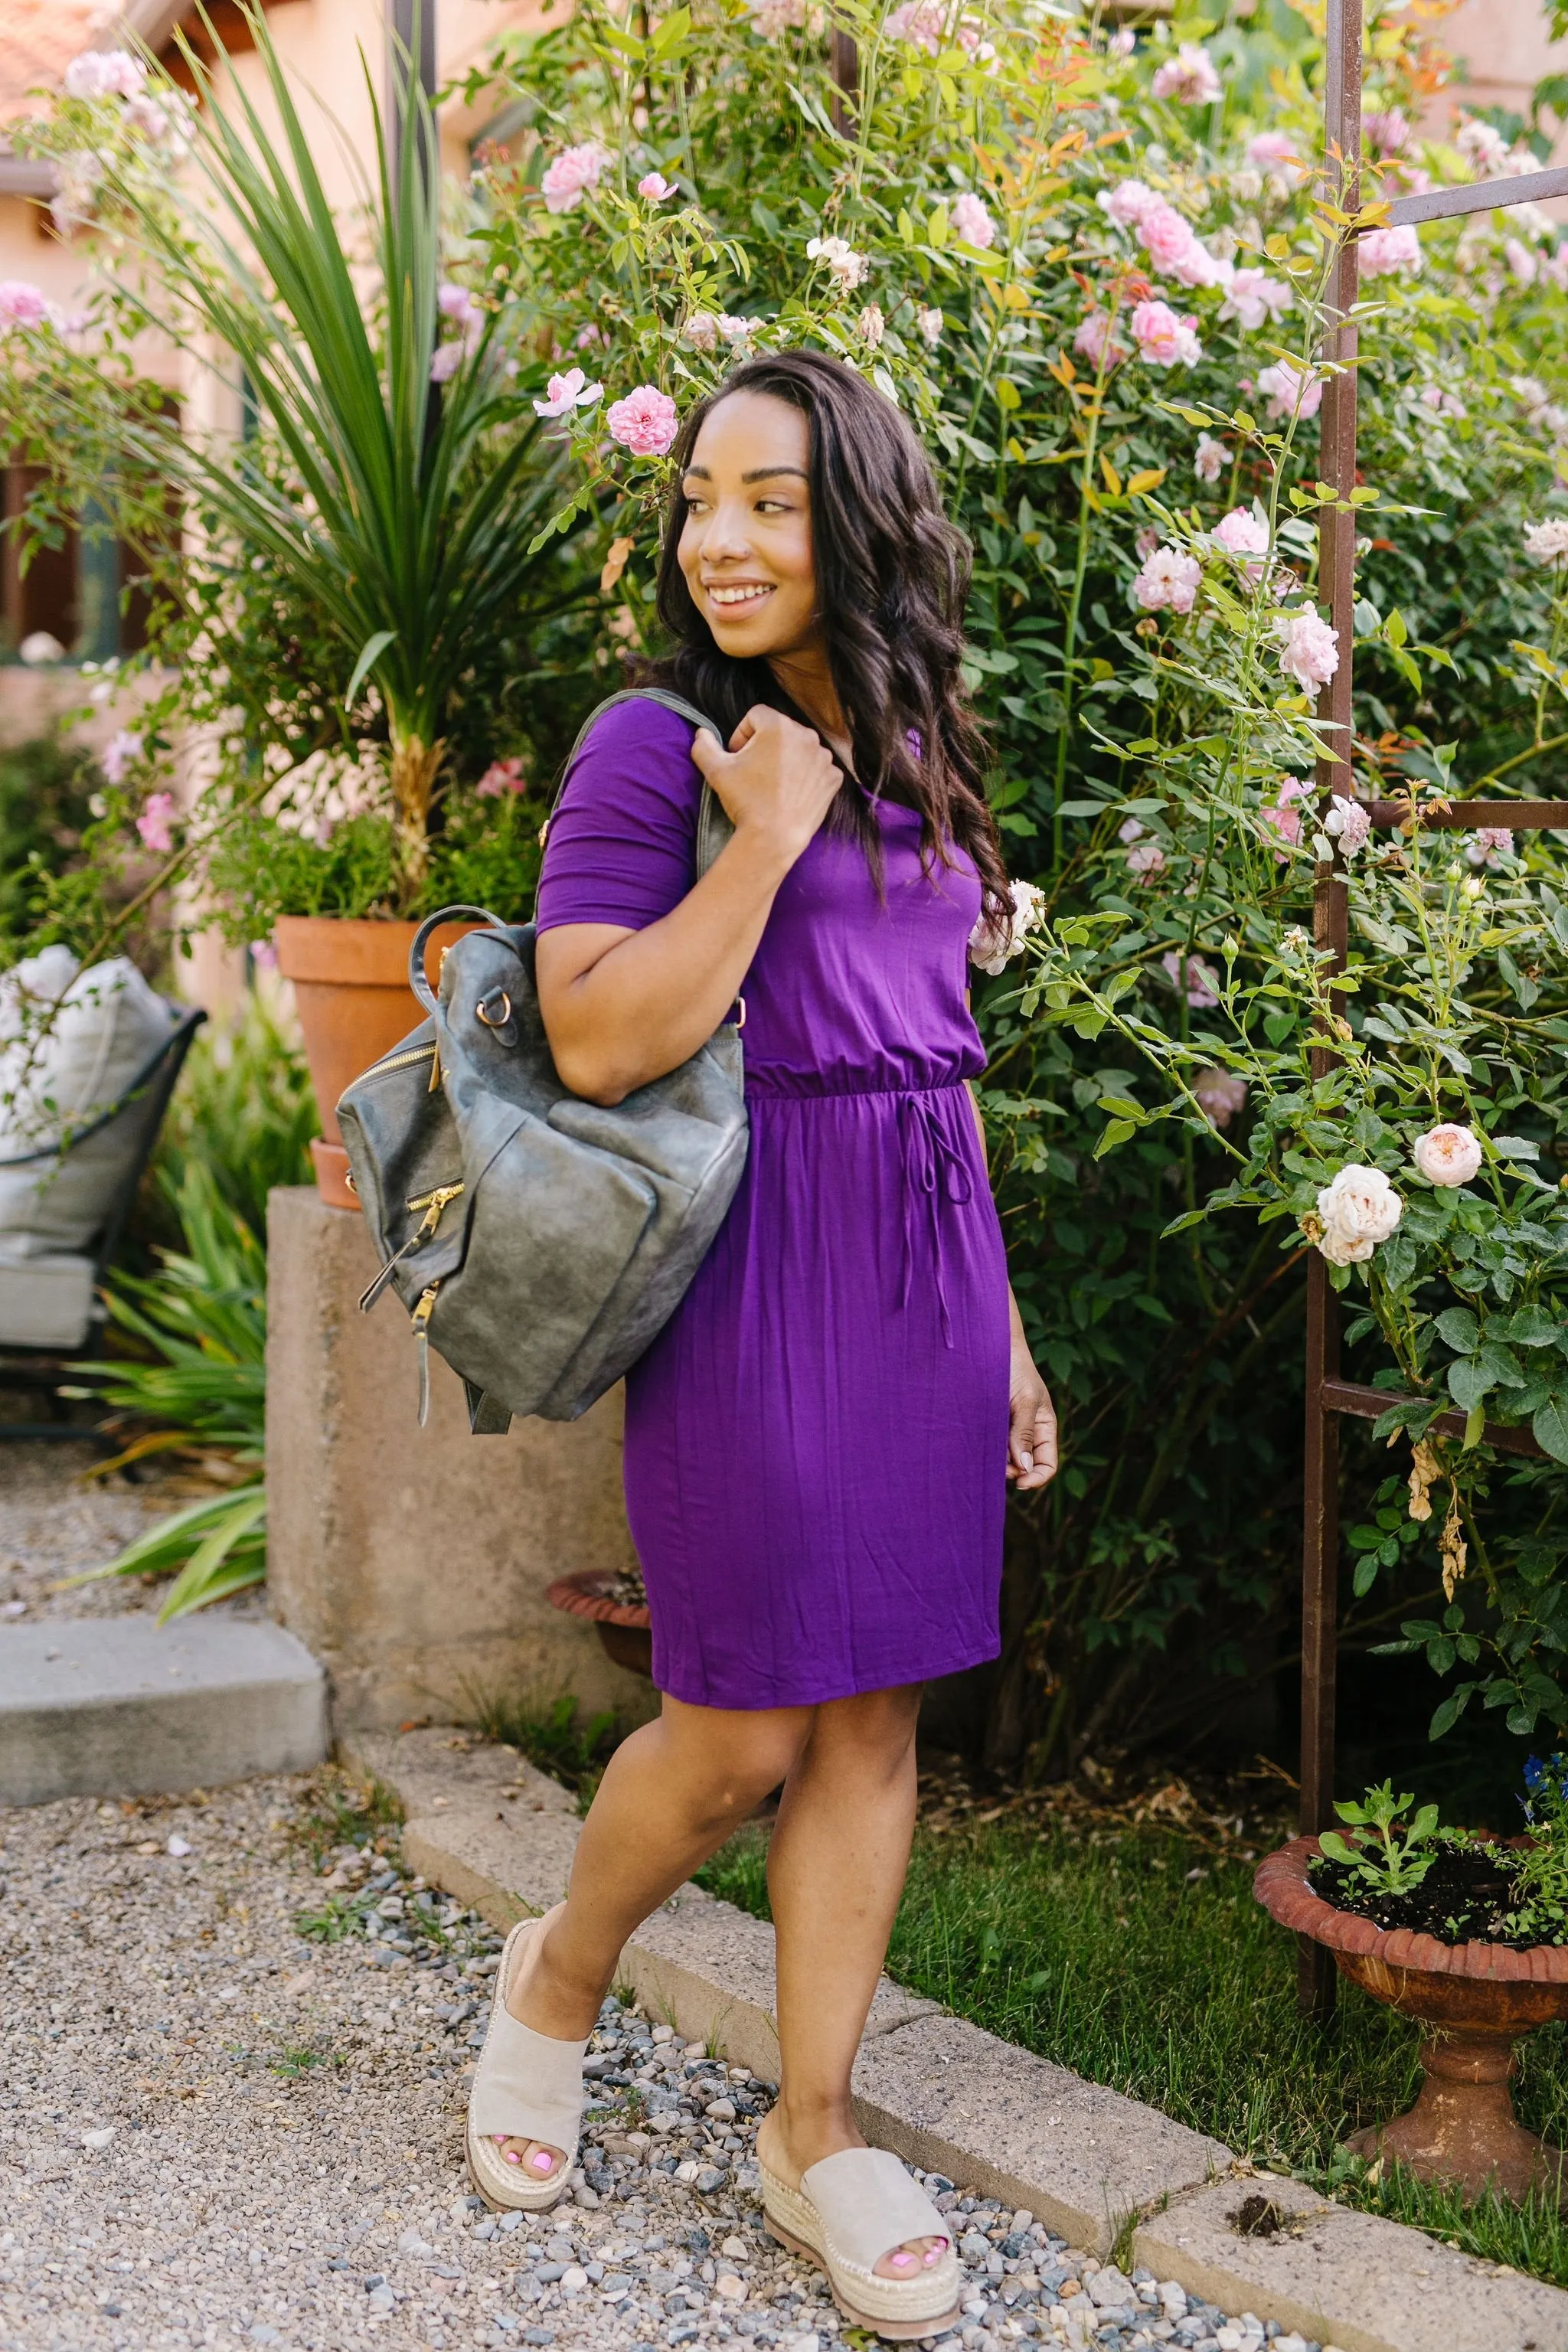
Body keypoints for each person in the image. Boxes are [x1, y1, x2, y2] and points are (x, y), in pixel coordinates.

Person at [466, 348, 1057, 2340]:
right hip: (750, 1264)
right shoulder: (656, 745)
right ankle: (561, 1968)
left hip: (926, 1275)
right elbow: (603, 1036)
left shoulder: (920, 743)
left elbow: (942, 1058)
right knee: (738, 1734)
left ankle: (813, 2122)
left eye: (772, 500)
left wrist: (1015, 1340)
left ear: (859, 522)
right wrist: (765, 839)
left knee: (879, 1719)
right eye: (702, 498)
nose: (719, 536)